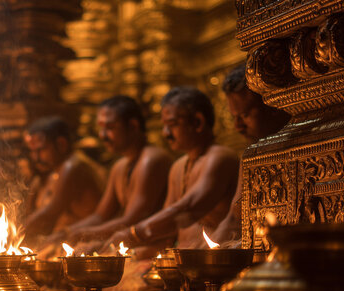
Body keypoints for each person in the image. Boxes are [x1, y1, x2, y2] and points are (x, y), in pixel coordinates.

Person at [102, 87, 239, 252]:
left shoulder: (220, 157)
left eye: (172, 125)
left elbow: (187, 210)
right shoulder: (178, 166)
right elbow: (170, 230)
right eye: (164, 126)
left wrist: (133, 234)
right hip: (183, 259)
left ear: (198, 122)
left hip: (215, 260)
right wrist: (132, 253)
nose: (166, 133)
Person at [40, 96, 173, 256]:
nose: (103, 135)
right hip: (131, 247)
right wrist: (67, 233)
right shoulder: (120, 166)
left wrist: (83, 235)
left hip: (157, 250)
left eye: (110, 127)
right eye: (101, 128)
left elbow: (133, 219)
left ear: (133, 126)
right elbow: (100, 216)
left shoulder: (151, 159)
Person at [210, 64, 291, 246]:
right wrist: (208, 250)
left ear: (273, 105)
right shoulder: (250, 156)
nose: (238, 126)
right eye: (234, 117)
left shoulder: (304, 145)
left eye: (245, 115)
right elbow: (234, 217)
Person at [22, 116, 105, 243]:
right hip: (61, 244)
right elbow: (30, 214)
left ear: (61, 144)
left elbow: (51, 211)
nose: (36, 157)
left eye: (41, 150)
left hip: (85, 244)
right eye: (32, 151)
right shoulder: (48, 175)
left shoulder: (74, 165)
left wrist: (15, 232)